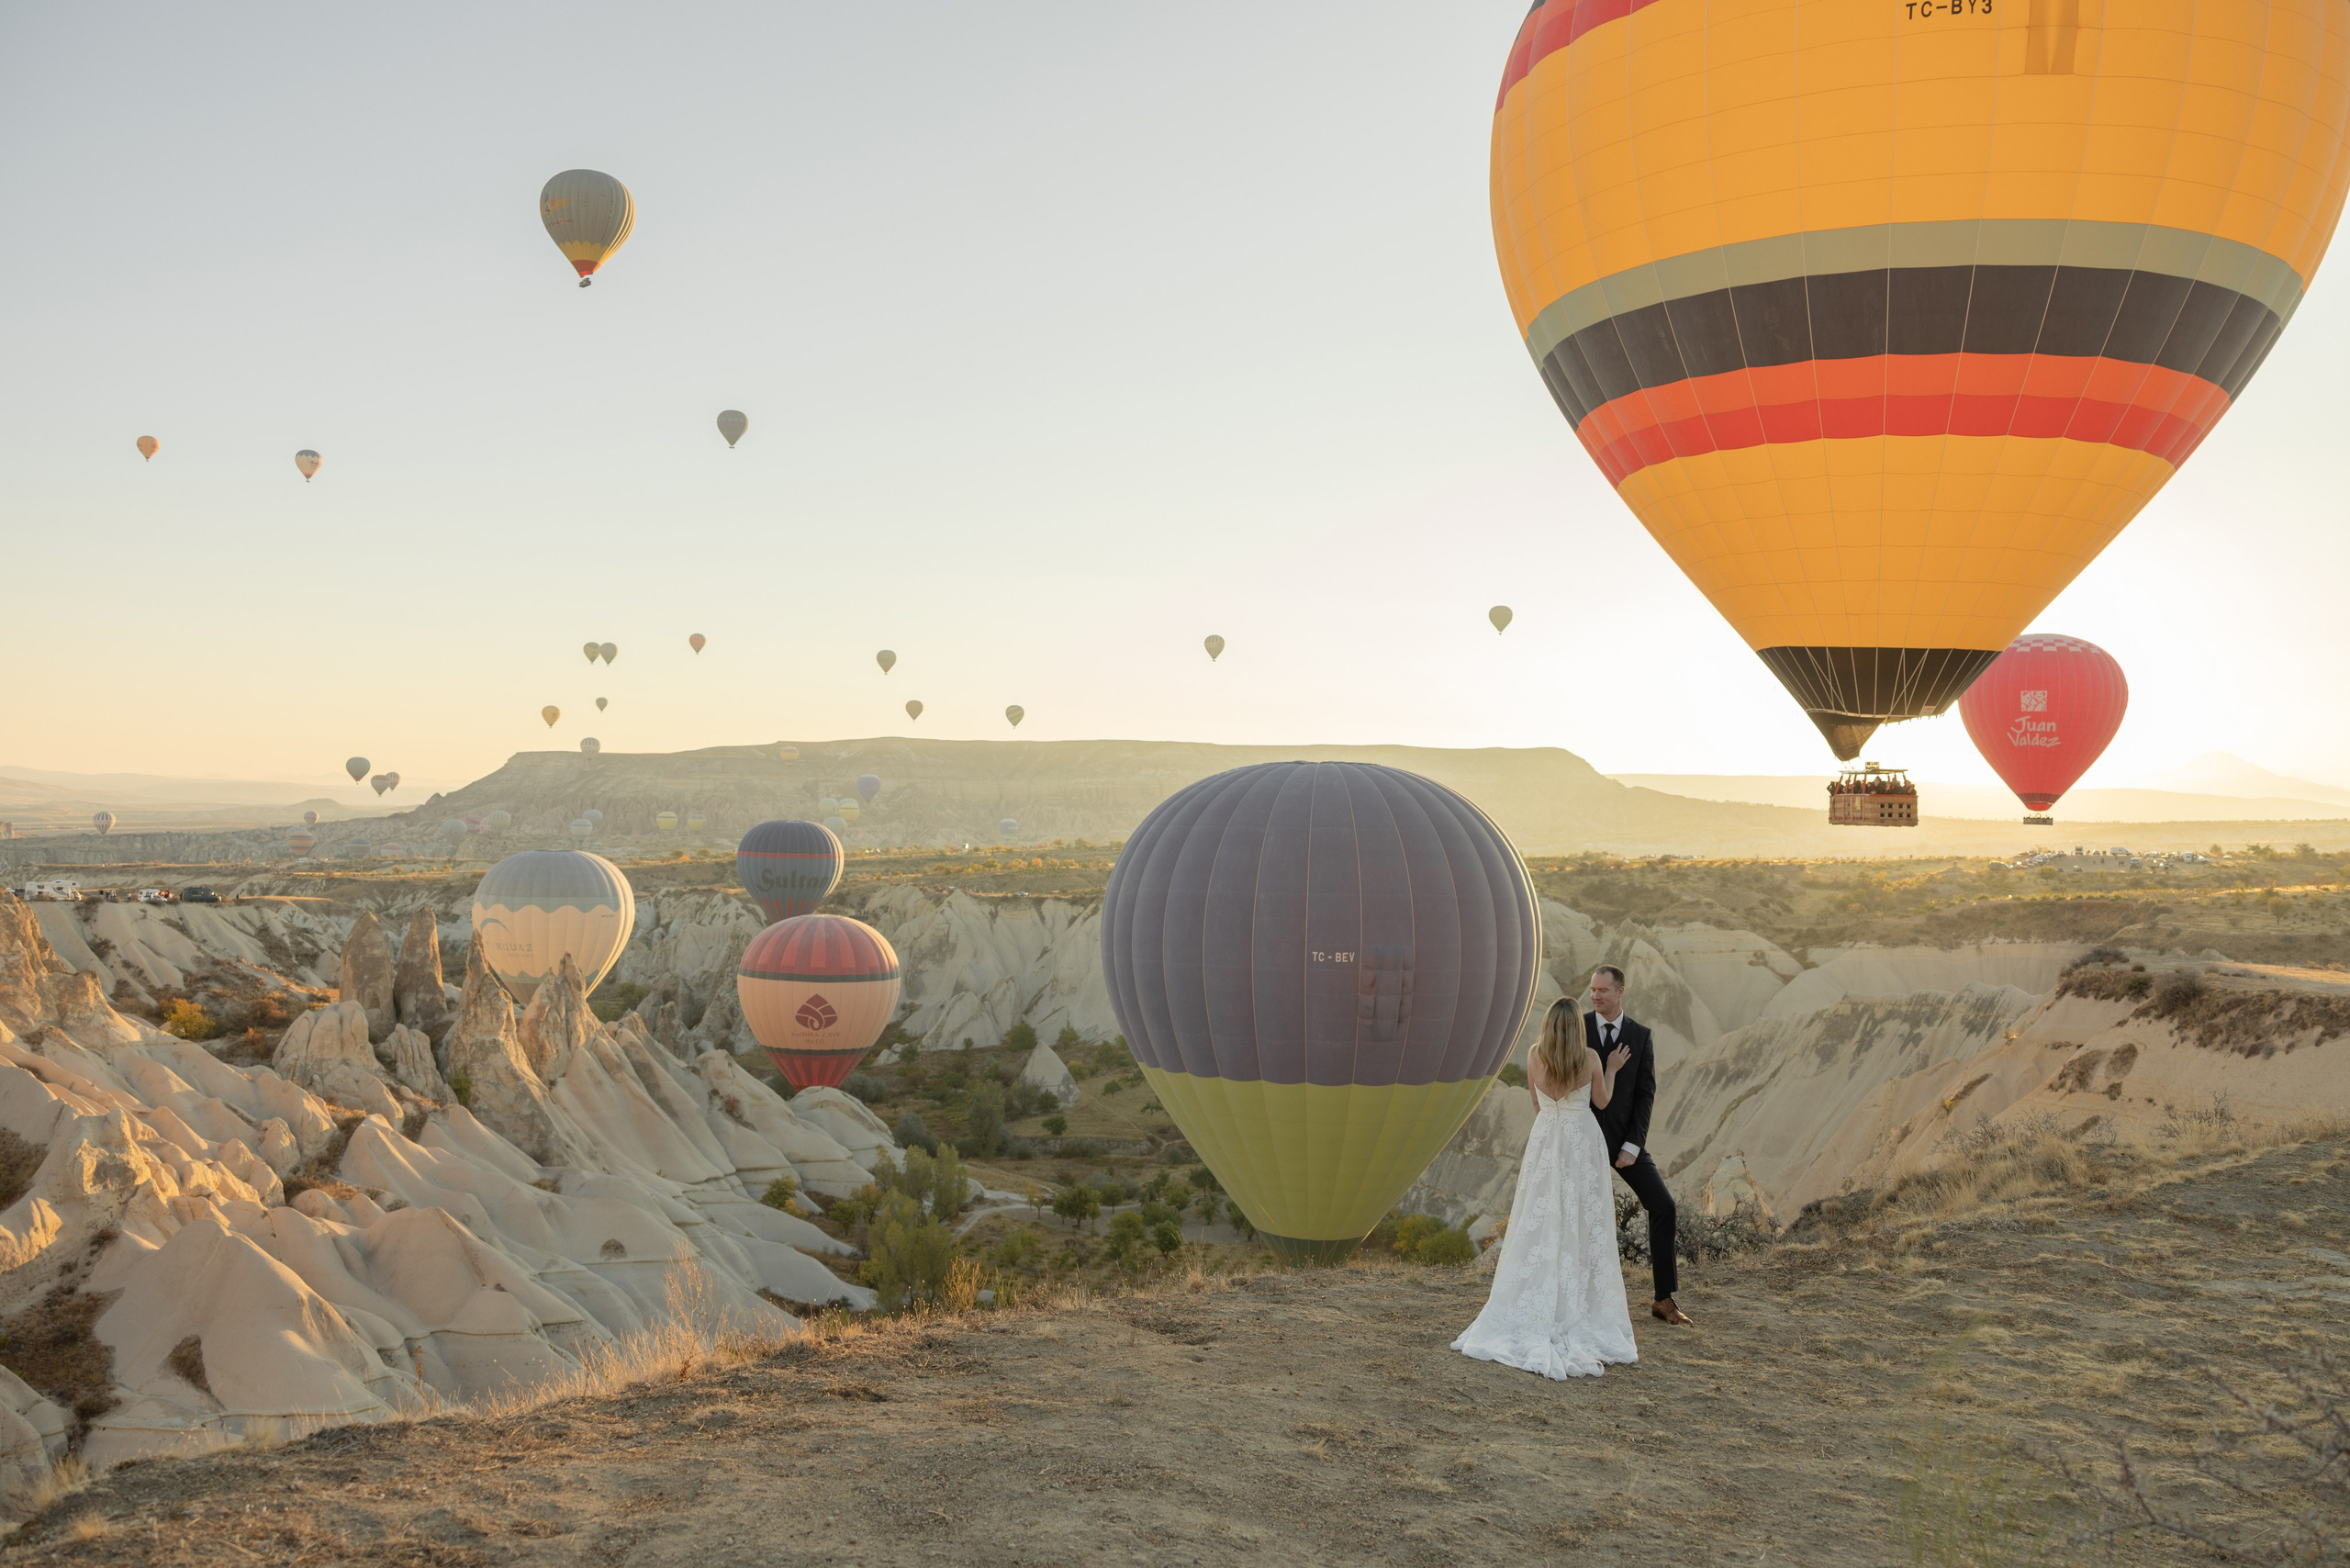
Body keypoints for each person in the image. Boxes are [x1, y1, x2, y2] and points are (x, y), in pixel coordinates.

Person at [1450, 996, 1639, 1379]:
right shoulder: (1589, 1058)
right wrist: (1612, 1068)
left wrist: (1554, 1121)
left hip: (1547, 1138)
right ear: (1577, 1027)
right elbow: (1602, 1102)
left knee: (1542, 1213)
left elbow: (1537, 1105)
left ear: (1549, 1025)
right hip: (1581, 1142)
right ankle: (1575, 1301)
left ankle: (1539, 1292)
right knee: (1581, 1216)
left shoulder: (1535, 1055)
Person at [1586, 964, 1693, 1326]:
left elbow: (1646, 1094)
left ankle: (1663, 1299)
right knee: (1580, 1216)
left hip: (1625, 1141)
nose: (1596, 996)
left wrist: (1633, 1144)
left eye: (1603, 990)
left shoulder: (1641, 1035)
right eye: (1592, 990)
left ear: (1620, 991)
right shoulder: (1577, 1028)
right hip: (1583, 1139)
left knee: (1663, 1206)